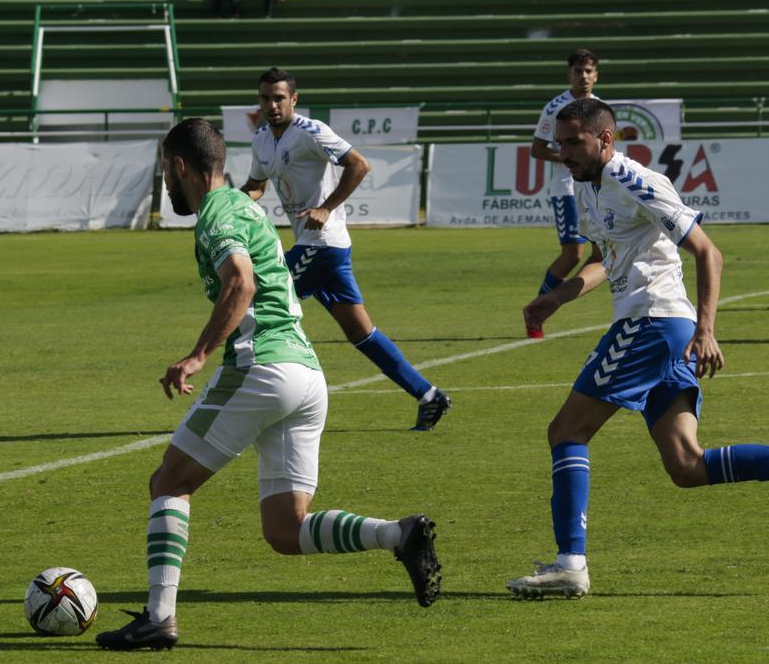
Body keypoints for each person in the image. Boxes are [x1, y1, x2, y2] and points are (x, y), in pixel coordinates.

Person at [96, 119, 441, 651]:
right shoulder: (245, 206)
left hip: (262, 368)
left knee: (169, 482)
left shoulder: (217, 213)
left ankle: (159, 618)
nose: (166, 181)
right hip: (306, 376)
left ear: (180, 166)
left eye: (166, 169)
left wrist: (197, 356)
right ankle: (399, 533)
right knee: (286, 530)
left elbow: (240, 280)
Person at [508, 99, 769, 598]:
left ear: (605, 140)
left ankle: (570, 564)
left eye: (573, 143)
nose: (563, 153)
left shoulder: (636, 181)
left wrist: (707, 329)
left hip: (653, 322)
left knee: (566, 430)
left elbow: (707, 251)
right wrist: (557, 298)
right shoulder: (587, 187)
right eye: (560, 143)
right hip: (658, 326)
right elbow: (608, 260)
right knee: (686, 466)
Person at [239, 67, 451, 430]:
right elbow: (256, 185)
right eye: (265, 98)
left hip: (321, 245)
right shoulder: (261, 138)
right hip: (320, 248)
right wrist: (234, 201)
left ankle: (251, 406)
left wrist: (326, 207)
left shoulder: (310, 131)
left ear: (293, 99)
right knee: (361, 333)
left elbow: (358, 164)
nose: (272, 105)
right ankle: (429, 395)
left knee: (257, 307)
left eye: (278, 98)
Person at [527, 49, 601, 338]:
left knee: (601, 252)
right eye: (578, 71)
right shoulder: (556, 107)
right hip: (568, 189)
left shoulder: (599, 107)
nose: (583, 76)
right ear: (569, 74)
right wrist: (573, 158)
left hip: (595, 187)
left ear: (596, 75)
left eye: (588, 71)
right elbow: (537, 149)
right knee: (573, 254)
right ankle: (537, 310)